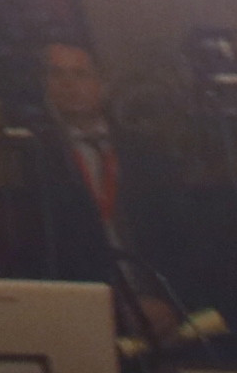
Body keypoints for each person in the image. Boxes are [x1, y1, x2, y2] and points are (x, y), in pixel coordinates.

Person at [26, 37, 192, 338]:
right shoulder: (38, 159)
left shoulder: (145, 152)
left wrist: (167, 300)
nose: (68, 84)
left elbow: (179, 236)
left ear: (101, 82)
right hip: (87, 317)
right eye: (57, 74)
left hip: (161, 309)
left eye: (80, 74)